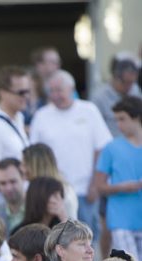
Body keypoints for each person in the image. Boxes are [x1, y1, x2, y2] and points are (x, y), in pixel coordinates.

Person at [30, 70, 112, 243]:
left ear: (71, 88)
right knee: (57, 240)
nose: (55, 95)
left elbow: (102, 148)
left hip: (85, 189)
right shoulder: (41, 115)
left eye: (59, 90)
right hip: (53, 192)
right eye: (51, 91)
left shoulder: (89, 110)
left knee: (87, 238)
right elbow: (33, 153)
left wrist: (95, 184)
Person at [94, 96, 142, 261]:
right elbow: (99, 185)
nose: (118, 124)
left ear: (136, 117)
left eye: (122, 119)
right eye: (116, 120)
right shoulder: (111, 148)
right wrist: (122, 187)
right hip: (121, 220)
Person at [21, 143, 78, 220]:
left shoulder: (65, 192)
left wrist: (62, 215)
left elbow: (73, 226)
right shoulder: (29, 189)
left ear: (37, 166)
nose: (21, 169)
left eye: (25, 165)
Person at [92, 54, 141, 138]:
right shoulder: (99, 97)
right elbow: (94, 128)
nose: (130, 87)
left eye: (132, 83)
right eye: (127, 83)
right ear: (115, 78)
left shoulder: (135, 90)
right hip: (111, 144)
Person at [0, 158, 27, 236]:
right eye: (3, 183)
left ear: (23, 177)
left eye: (13, 181)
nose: (8, 188)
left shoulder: (39, 208)